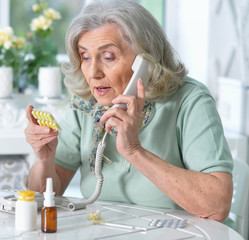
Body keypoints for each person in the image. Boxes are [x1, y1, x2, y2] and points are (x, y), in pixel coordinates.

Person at [24, 0, 233, 222]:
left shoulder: (190, 100)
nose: (93, 72)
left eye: (108, 57)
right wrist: (44, 161)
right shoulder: (85, 103)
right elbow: (42, 200)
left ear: (144, 60)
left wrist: (134, 150)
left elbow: (216, 206)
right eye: (85, 57)